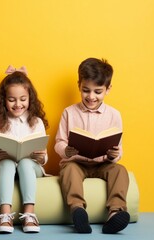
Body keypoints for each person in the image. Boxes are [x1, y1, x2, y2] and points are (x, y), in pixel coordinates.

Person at [54, 58, 130, 234]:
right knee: (70, 170)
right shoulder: (69, 112)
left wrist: (114, 155)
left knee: (120, 170)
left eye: (98, 92)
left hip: (103, 163)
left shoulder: (114, 115)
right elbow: (59, 142)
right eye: (86, 90)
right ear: (79, 85)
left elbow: (118, 148)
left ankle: (115, 212)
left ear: (108, 89)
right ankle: (77, 209)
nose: (91, 97)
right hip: (76, 162)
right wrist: (65, 150)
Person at [0, 65, 49, 234]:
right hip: (6, 166)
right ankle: (5, 215)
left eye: (23, 99)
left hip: (31, 167)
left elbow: (44, 158)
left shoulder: (36, 122)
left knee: (26, 163)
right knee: (7, 163)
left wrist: (41, 157)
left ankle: (29, 214)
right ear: (3, 100)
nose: (18, 104)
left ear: (30, 98)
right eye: (12, 100)